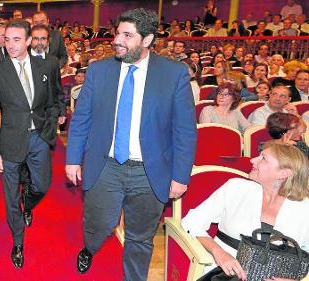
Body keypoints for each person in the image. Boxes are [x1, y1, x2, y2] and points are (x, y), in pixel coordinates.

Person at [65, 8, 196, 279]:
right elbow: (82, 119)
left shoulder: (173, 74)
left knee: (140, 238)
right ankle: (90, 247)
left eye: (127, 35)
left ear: (147, 40)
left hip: (150, 172)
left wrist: (180, 176)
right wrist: (73, 159)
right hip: (106, 166)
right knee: (98, 224)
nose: (117, 40)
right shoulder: (99, 70)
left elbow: (184, 130)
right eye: (117, 33)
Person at [0, 19, 62, 269]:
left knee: (41, 185)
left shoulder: (47, 65)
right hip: (9, 141)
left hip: (39, 136)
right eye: (7, 39)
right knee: (10, 198)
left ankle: (28, 200)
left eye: (17, 39)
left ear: (29, 41)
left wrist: (50, 125)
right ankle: (18, 241)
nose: (11, 45)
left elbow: (53, 99)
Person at [182, 141, 309, 280]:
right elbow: (192, 222)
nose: (253, 160)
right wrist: (218, 252)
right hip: (224, 273)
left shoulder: (304, 208)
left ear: (284, 173)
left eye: (263, 158)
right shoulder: (236, 188)